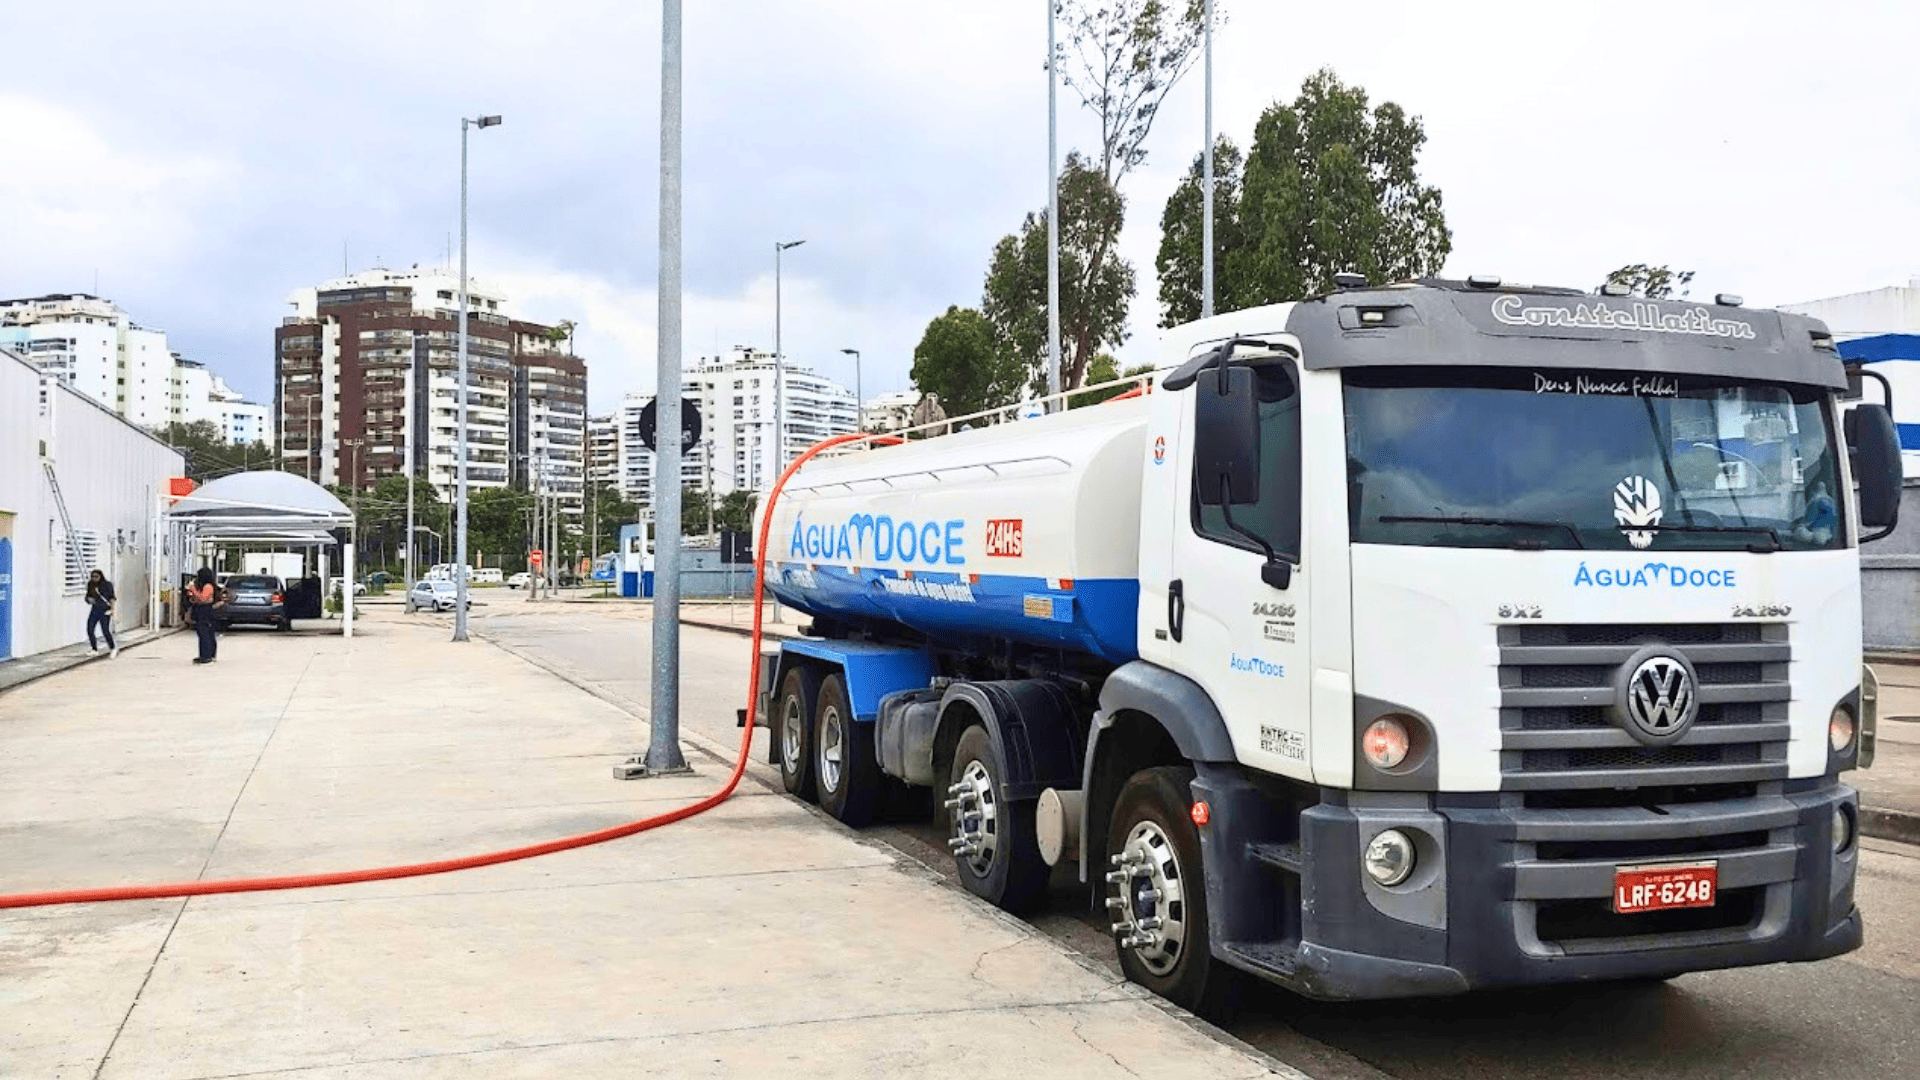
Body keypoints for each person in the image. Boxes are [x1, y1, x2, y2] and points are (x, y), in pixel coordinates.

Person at [185, 567, 224, 664]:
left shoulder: (208, 586)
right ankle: (205, 654)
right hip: (200, 610)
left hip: (205, 611)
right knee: (204, 632)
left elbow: (203, 598)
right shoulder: (205, 586)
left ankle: (207, 655)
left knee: (204, 633)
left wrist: (193, 589)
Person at [84, 569, 118, 658]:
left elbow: (112, 598)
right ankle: (94, 649)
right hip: (95, 609)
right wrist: (89, 600)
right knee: (90, 628)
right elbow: (87, 596)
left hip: (105, 610)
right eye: (92, 577)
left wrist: (113, 610)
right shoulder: (90, 585)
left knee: (105, 630)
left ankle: (113, 648)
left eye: (96, 577)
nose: (94, 579)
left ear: (101, 577)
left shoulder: (107, 585)